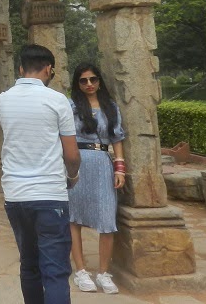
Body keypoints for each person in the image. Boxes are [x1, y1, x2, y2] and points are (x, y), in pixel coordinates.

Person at [0, 44, 81, 304]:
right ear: (49, 69)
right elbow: (72, 155)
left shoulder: (3, 99)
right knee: (55, 270)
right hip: (50, 194)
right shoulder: (57, 101)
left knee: (29, 264)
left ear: (21, 68)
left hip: (16, 195)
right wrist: (73, 176)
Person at [67, 63, 126, 295]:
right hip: (77, 162)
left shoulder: (110, 107)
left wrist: (119, 168)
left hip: (103, 163)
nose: (89, 84)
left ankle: (103, 272)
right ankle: (81, 271)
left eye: (93, 79)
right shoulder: (71, 106)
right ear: (77, 83)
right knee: (74, 218)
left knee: (107, 218)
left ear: (100, 81)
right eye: (83, 80)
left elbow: (117, 138)